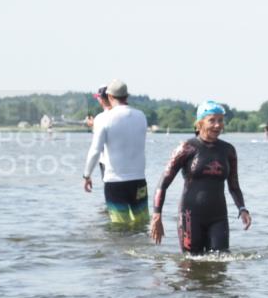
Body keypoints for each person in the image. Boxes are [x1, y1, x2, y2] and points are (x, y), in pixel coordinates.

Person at [150, 101, 251, 253]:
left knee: (220, 262)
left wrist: (242, 209)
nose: (218, 125)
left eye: (220, 120)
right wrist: (157, 215)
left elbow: (234, 185)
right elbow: (162, 184)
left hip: (219, 217)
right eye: (212, 120)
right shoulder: (186, 148)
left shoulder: (228, 150)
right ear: (200, 123)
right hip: (190, 216)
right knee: (190, 266)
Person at [81, 80, 149, 225]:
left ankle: (123, 248)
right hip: (139, 180)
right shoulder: (141, 116)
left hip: (115, 182)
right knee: (142, 224)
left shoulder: (103, 119)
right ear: (127, 96)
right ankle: (141, 248)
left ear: (110, 96)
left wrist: (86, 175)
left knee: (120, 227)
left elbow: (95, 150)